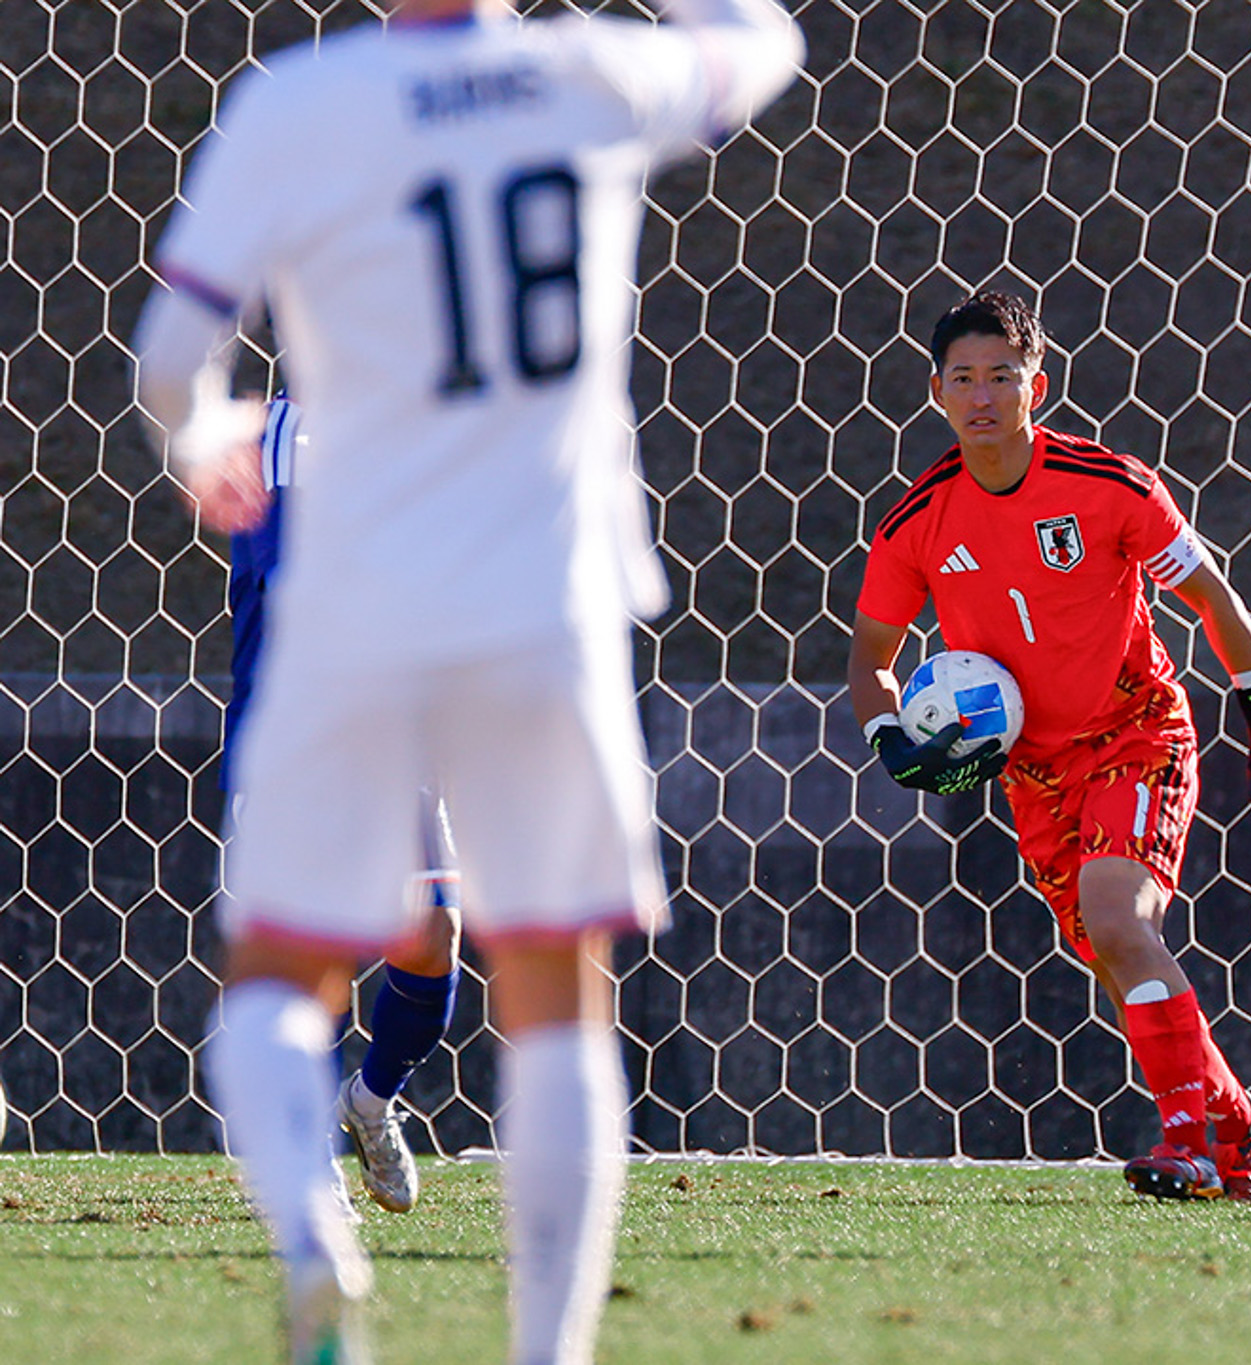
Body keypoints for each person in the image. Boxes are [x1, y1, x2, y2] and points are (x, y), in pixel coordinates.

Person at [132, 2, 803, 1360]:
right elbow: (763, 40)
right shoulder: (596, 74)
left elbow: (163, 362)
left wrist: (203, 436)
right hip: (543, 602)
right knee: (555, 986)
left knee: (272, 974)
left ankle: (316, 1239)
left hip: (357, 600)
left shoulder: (300, 101)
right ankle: (546, 1349)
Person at [846, 290, 1251, 1202]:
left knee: (1116, 915)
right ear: (934, 391)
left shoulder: (1111, 485)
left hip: (1138, 730)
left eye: (1002, 377)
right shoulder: (917, 523)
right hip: (1033, 770)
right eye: (964, 379)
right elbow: (872, 658)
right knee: (1111, 950)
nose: (982, 396)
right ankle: (1228, 1110)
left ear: (1037, 385)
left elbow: (1212, 594)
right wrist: (890, 736)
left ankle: (1191, 1143)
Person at [224, 395, 460, 1217]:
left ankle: (368, 1099)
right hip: (290, 724)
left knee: (432, 938)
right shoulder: (277, 436)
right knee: (304, 948)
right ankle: (308, 1162)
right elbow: (294, 579)